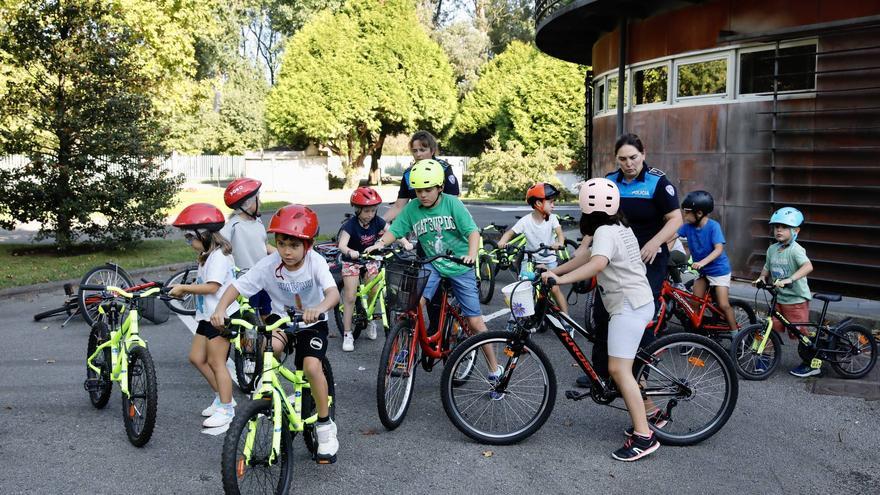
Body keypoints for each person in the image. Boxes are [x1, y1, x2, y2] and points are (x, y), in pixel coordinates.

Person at [210, 204, 341, 464]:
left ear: (309, 245)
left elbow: (333, 293)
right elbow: (237, 286)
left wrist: (318, 309)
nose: (286, 251)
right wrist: (221, 309)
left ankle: (325, 426)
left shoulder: (316, 262)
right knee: (269, 349)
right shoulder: (269, 264)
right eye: (281, 244)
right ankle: (271, 394)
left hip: (311, 323)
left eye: (293, 245)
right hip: (281, 322)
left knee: (312, 367)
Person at [542, 178, 659, 461]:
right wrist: (554, 273)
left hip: (628, 306)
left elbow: (597, 264)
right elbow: (585, 257)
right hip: (634, 301)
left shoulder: (605, 231)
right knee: (621, 367)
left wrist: (561, 280)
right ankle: (653, 413)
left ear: (586, 207)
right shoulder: (617, 225)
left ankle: (645, 436)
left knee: (619, 370)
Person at [365, 159, 502, 396]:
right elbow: (395, 231)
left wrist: (471, 255)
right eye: (418, 190)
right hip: (434, 265)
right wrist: (378, 244)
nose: (423, 195)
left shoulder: (452, 204)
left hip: (460, 266)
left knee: (475, 322)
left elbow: (472, 232)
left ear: (439, 187)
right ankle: (406, 347)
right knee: (414, 303)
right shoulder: (412, 209)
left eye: (428, 190)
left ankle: (494, 370)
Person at [566, 133, 682, 387]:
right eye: (623, 159)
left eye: (633, 157)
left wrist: (655, 242)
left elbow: (676, 219)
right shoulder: (610, 181)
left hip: (648, 258)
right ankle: (600, 373)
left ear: (643, 154)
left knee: (638, 317)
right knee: (603, 311)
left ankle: (638, 377)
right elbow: (597, 217)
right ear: (616, 159)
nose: (628, 163)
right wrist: (585, 245)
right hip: (614, 255)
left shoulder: (658, 182)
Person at [168, 203, 240, 429]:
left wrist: (184, 288)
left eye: (191, 236)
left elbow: (212, 287)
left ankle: (226, 409)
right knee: (197, 358)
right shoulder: (207, 255)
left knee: (217, 362)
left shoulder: (218, 257)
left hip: (220, 316)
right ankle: (223, 397)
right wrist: (186, 289)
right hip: (206, 315)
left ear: (206, 234)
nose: (189, 241)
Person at [497, 182, 573, 333]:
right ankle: (515, 321)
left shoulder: (552, 219)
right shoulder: (526, 221)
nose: (554, 205)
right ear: (538, 203)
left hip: (549, 259)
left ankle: (567, 322)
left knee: (555, 288)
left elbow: (560, 235)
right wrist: (502, 241)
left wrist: (559, 243)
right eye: (551, 202)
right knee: (522, 288)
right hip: (530, 259)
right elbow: (510, 232)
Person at [752, 207, 815, 377]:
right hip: (779, 298)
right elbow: (767, 266)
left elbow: (808, 266)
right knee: (770, 328)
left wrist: (790, 279)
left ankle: (812, 363)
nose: (779, 230)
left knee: (800, 333)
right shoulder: (772, 249)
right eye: (776, 226)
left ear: (796, 231)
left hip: (796, 300)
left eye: (784, 227)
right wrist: (762, 278)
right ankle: (765, 357)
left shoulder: (796, 250)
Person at [676, 190, 739, 334]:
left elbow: (718, 249)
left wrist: (703, 262)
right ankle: (694, 336)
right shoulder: (687, 227)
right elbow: (671, 236)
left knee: (723, 304)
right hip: (703, 272)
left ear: (699, 213)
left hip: (719, 271)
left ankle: (737, 336)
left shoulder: (713, 226)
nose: (684, 215)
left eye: (687, 212)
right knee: (694, 303)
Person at [337, 186, 386, 351]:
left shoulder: (376, 221)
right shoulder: (350, 225)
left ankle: (371, 319)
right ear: (357, 210)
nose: (370, 215)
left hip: (370, 258)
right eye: (366, 211)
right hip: (352, 260)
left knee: (375, 289)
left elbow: (392, 232)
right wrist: (350, 252)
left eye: (373, 210)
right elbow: (342, 245)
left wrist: (405, 242)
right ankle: (347, 333)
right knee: (350, 297)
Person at [220, 178, 275, 318]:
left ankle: (269, 339)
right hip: (246, 280)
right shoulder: (233, 226)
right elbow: (219, 249)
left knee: (267, 314)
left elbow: (263, 245)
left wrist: (280, 254)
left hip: (263, 277)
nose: (261, 203)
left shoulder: (257, 221)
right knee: (249, 321)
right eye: (258, 199)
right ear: (247, 203)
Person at [382, 130, 460, 223]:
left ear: (432, 150)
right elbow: (399, 206)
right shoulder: (408, 174)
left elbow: (453, 204)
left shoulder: (444, 169)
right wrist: (378, 222)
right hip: (419, 223)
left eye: (422, 150)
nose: (418, 154)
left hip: (444, 223)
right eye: (415, 151)